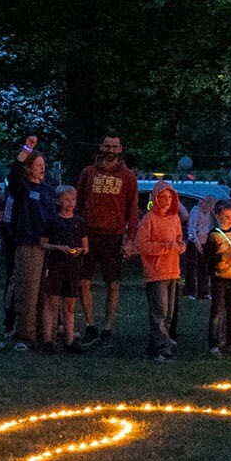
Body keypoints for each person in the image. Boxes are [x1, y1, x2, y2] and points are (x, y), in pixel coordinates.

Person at [76, 135, 138, 346]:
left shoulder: (128, 177)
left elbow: (132, 210)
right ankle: (90, 325)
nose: (111, 149)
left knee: (113, 283)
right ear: (101, 147)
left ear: (120, 149)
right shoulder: (88, 173)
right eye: (107, 145)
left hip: (113, 235)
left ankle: (108, 328)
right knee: (83, 280)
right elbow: (78, 204)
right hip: (89, 233)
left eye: (115, 146)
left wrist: (130, 239)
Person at [135, 179, 188, 360]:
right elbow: (141, 244)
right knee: (160, 311)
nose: (166, 200)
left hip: (173, 270)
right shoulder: (148, 220)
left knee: (169, 313)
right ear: (155, 198)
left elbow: (179, 238)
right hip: (156, 272)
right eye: (162, 197)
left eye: (169, 197)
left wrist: (180, 246)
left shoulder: (174, 219)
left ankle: (155, 345)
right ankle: (162, 349)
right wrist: (164, 246)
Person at [3, 149, 51, 349]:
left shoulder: (47, 190)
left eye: (43, 165)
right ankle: (23, 336)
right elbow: (13, 174)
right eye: (37, 165)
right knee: (27, 293)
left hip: (47, 245)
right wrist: (26, 150)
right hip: (28, 244)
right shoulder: (21, 188)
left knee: (44, 293)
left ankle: (42, 334)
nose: (42, 169)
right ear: (28, 168)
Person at [38, 184, 87, 352]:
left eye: (73, 199)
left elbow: (85, 246)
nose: (70, 203)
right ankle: (48, 339)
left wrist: (80, 251)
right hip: (56, 265)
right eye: (66, 199)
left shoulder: (79, 222)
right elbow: (43, 244)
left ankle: (70, 339)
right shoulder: (52, 220)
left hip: (73, 267)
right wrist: (59, 248)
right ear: (58, 201)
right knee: (52, 301)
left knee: (70, 303)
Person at [202, 197, 231, 354]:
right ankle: (214, 343)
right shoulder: (214, 235)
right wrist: (227, 258)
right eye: (226, 216)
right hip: (219, 277)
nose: (230, 219)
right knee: (217, 311)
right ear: (218, 216)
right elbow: (209, 258)